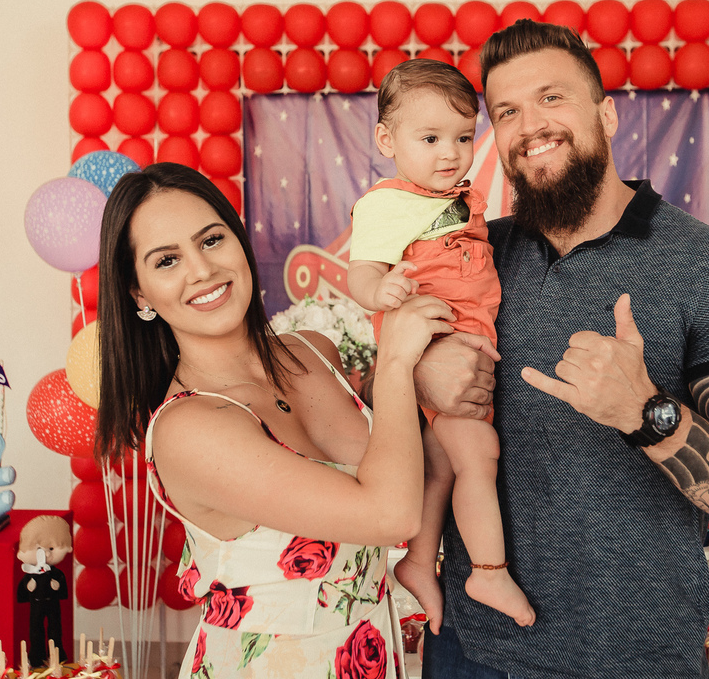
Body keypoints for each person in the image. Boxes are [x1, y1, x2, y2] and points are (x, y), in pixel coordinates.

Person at [410, 19, 709, 678]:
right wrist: (418, 370)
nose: (530, 124)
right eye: (506, 111)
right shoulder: (472, 257)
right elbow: (380, 412)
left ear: (607, 114)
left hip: (631, 657)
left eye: (551, 97)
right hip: (472, 649)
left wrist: (646, 411)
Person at [95, 162, 452, 678]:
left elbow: (404, 457)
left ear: (239, 244)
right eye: (167, 260)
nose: (201, 270)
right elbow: (389, 515)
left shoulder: (315, 350)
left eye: (211, 240)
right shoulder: (188, 429)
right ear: (139, 294)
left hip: (375, 654)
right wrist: (396, 362)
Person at [347, 59, 536, 631]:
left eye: (461, 136)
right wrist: (383, 288)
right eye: (429, 138)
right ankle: (488, 568)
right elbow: (359, 274)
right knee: (479, 457)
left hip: (468, 336)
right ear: (387, 139)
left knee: (440, 467)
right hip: (439, 340)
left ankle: (418, 561)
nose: (450, 152)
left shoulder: (456, 196)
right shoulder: (387, 203)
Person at [16, 515, 72, 666]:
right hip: (36, 604)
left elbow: (62, 588)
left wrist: (57, 587)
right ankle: (36, 657)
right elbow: (23, 589)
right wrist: (29, 588)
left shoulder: (57, 574)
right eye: (40, 549)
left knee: (55, 630)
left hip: (53, 604)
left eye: (51, 549)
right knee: (35, 630)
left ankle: (56, 657)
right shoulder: (30, 574)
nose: (46, 554)